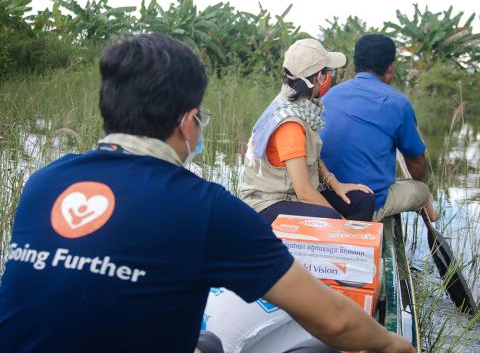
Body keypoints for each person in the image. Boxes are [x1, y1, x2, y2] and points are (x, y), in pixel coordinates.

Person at [0, 33, 415, 353]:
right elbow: (336, 322)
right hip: (272, 210)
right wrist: (393, 343)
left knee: (209, 343)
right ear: (187, 122)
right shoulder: (204, 207)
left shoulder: (45, 182)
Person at [240, 38, 376, 224]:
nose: (330, 77)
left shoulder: (300, 105)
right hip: (270, 202)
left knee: (362, 201)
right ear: (319, 78)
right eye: (327, 72)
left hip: (292, 194)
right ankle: (345, 246)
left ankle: (345, 250)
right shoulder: (290, 124)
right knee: (330, 219)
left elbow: (310, 157)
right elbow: (304, 192)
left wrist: (335, 184)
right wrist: (344, 225)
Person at [320, 34, 437, 222]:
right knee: (421, 190)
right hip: (366, 203)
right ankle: (428, 206)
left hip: (326, 194)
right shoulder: (398, 103)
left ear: (356, 64)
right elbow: (416, 164)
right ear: (390, 67)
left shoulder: (329, 95)